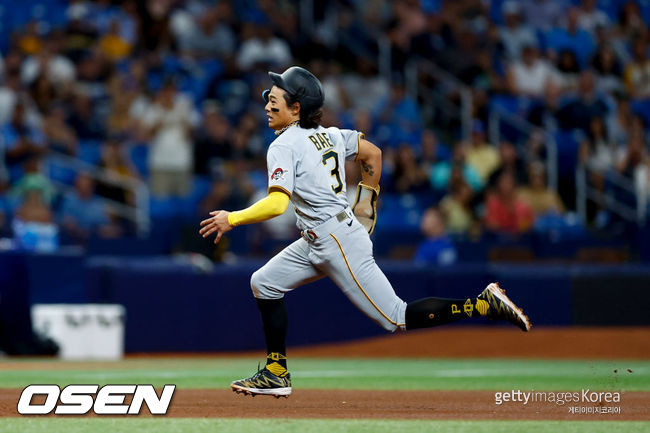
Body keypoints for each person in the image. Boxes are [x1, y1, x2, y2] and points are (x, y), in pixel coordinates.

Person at [199, 66, 531, 398]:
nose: (268, 106)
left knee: (396, 317)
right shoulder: (329, 134)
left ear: (296, 108)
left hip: (336, 241)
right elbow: (373, 152)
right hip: (321, 237)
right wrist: (367, 201)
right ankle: (276, 372)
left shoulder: (284, 144)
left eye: (275, 100)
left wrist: (233, 218)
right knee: (264, 282)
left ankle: (483, 304)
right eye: (268, 100)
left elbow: (276, 204)